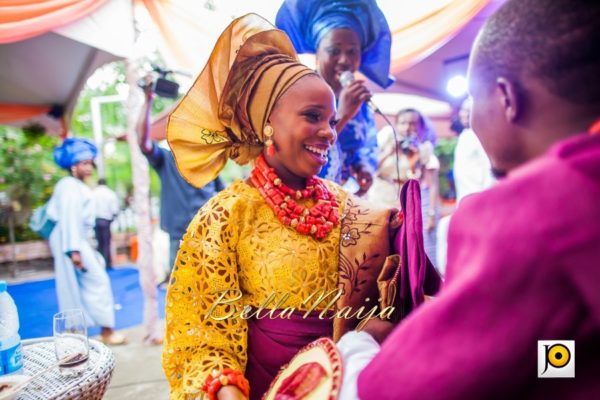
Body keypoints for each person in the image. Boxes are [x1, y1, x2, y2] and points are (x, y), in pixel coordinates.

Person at [337, 0, 600, 398]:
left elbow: (397, 391)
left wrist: (359, 348)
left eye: (474, 101)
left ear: (507, 98)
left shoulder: (539, 212)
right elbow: (560, 353)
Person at [162, 14, 402, 400]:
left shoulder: (345, 204)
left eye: (332, 120)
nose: (328, 132)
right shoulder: (226, 216)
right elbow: (203, 337)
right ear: (267, 122)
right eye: (312, 117)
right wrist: (227, 391)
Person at [276, 0, 394, 195]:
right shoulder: (297, 93)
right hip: (301, 202)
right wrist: (342, 115)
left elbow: (366, 147)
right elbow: (291, 154)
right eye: (334, 50)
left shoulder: (360, 103)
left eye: (352, 52)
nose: (344, 60)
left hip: (342, 202)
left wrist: (362, 167)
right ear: (317, 53)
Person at [137, 80, 224, 284]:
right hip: (180, 238)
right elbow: (143, 141)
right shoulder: (166, 159)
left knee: (215, 290)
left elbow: (223, 196)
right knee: (183, 294)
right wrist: (147, 101)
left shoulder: (209, 161)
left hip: (210, 235)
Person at [47, 138, 127, 345]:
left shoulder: (73, 185)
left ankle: (84, 335)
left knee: (85, 283)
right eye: (84, 163)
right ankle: (100, 332)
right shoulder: (69, 185)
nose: (89, 167)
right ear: (73, 165)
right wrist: (74, 250)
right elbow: (69, 218)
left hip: (74, 241)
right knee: (93, 281)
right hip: (71, 241)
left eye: (90, 162)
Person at [369, 108, 440, 266]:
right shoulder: (386, 139)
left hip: (408, 202)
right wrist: (390, 151)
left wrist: (431, 213)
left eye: (413, 123)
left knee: (408, 248)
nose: (408, 127)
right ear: (396, 125)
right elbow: (369, 169)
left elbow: (432, 183)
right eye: (403, 123)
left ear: (421, 127)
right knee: (382, 244)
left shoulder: (423, 149)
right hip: (382, 198)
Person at [92, 178, 120, 269]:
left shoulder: (93, 193)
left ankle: (100, 263)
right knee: (106, 243)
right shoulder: (110, 193)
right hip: (106, 221)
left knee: (99, 243)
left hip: (96, 220)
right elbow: (114, 209)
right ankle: (107, 263)